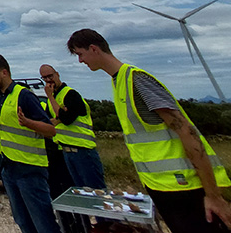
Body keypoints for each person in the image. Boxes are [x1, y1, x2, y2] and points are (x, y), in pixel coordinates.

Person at [67, 28, 231, 233]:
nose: (80, 61)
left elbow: (186, 132)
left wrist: (213, 195)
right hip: (163, 188)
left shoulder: (137, 80)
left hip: (187, 189)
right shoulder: (118, 82)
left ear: (94, 49)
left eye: (80, 54)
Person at [0, 54, 61, 233]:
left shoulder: (24, 96)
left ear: (4, 72)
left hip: (30, 169)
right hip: (8, 168)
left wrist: (27, 122)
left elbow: (50, 130)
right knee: (22, 220)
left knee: (43, 222)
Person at [39, 64, 105, 190]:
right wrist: (59, 115)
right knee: (79, 190)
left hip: (83, 150)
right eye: (44, 78)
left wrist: (51, 98)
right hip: (65, 151)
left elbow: (67, 119)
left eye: (50, 76)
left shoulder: (70, 94)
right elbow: (49, 122)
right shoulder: (53, 99)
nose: (48, 80)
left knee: (95, 190)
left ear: (57, 74)